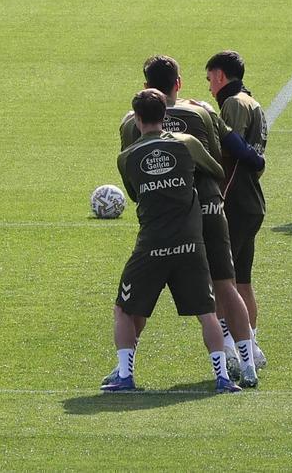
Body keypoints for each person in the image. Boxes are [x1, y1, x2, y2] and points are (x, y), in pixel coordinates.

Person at [112, 56, 264, 389]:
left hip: (165, 217)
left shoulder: (128, 124)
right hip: (209, 206)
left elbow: (135, 178)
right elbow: (223, 159)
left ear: (144, 88)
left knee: (135, 297)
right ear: (177, 83)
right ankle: (247, 360)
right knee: (225, 284)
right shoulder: (203, 109)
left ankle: (124, 369)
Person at [207, 50, 273, 368]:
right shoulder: (251, 101)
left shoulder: (233, 104)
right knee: (243, 280)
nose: (209, 87)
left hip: (234, 198)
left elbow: (228, 154)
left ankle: (233, 350)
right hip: (253, 199)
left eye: (209, 79)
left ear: (220, 76)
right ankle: (253, 345)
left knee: (223, 282)